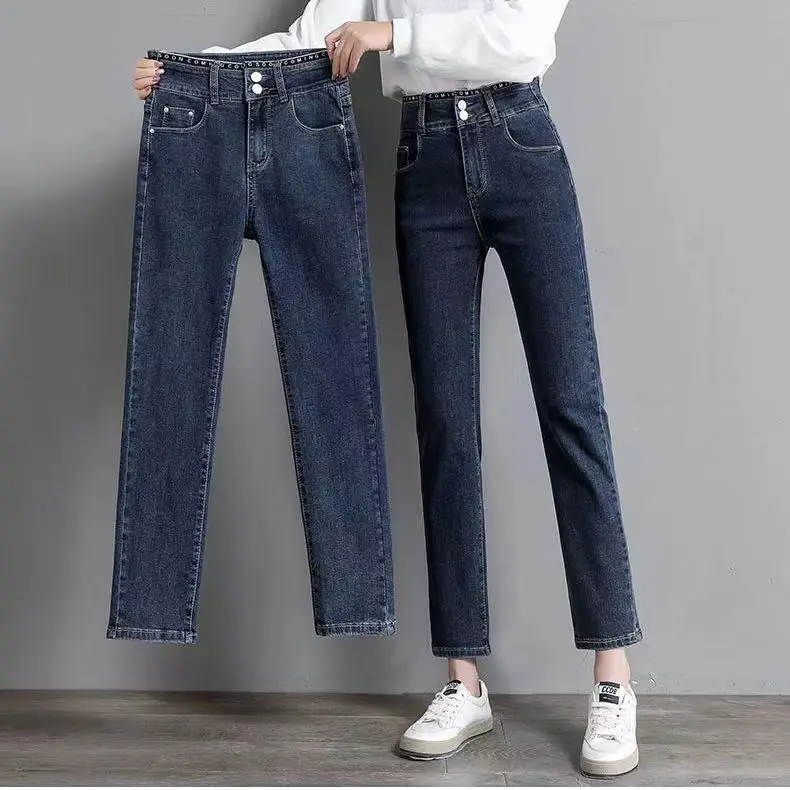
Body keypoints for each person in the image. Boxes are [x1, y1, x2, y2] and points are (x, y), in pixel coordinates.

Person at [132, 0, 642, 777]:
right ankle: (464, 680)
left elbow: (523, 34)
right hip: (424, 162)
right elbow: (310, 40)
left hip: (520, 143)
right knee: (444, 426)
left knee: (572, 407)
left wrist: (393, 34)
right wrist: (189, 70)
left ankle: (612, 678)